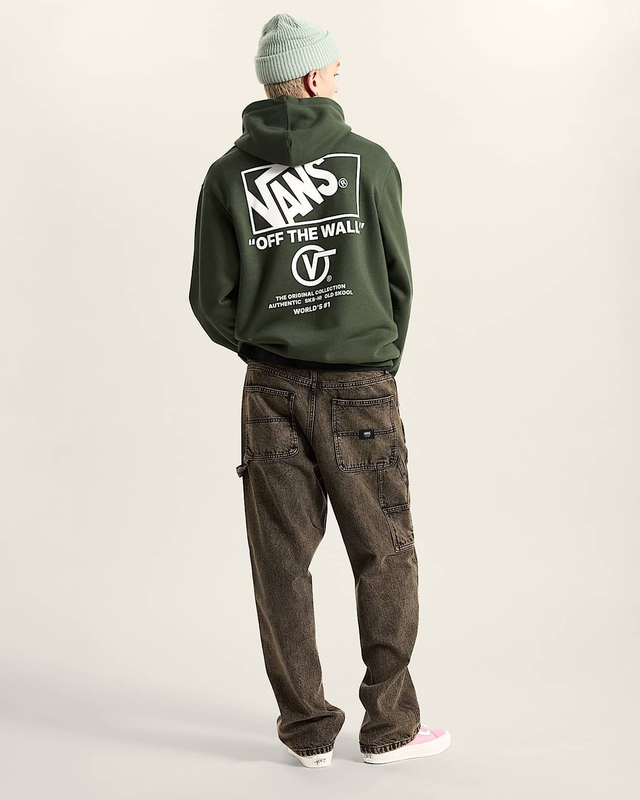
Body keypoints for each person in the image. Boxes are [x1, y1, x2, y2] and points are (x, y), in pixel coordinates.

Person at [189, 12, 451, 768]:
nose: (339, 79)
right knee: (385, 554)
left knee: (280, 562)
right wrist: (375, 356)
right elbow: (398, 277)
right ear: (310, 78)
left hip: (269, 390)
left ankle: (307, 732)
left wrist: (267, 344)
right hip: (360, 386)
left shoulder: (225, 177)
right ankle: (390, 728)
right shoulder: (368, 162)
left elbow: (210, 298)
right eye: (334, 70)